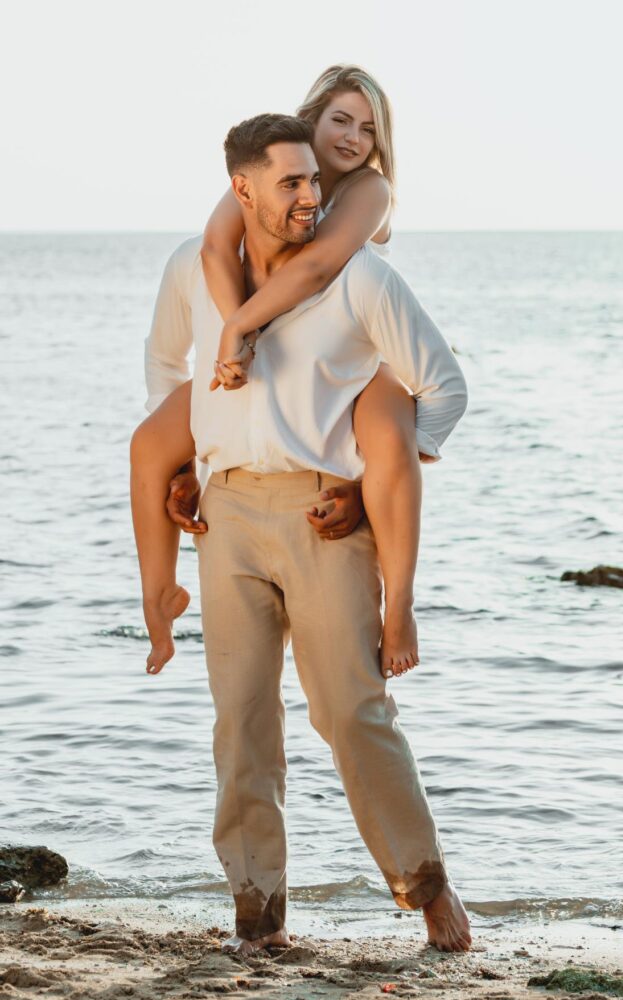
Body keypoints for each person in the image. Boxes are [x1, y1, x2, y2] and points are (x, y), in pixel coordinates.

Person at [142, 113, 471, 954]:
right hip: (226, 519)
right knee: (241, 720)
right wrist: (186, 462)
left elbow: (444, 389)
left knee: (352, 710)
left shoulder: (358, 279)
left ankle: (426, 888)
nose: (309, 196)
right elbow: (165, 366)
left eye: (314, 182)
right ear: (241, 189)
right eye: (290, 183)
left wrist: (367, 488)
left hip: (323, 519)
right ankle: (257, 916)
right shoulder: (192, 266)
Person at [131, 65, 427, 680]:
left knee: (389, 436)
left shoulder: (368, 191)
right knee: (149, 444)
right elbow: (216, 247)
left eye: (368, 129)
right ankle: (158, 593)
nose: (351, 138)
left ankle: (401, 604)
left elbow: (318, 265)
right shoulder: (266, 171)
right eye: (340, 120)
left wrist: (241, 329)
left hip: (349, 356)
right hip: (250, 431)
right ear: (311, 119)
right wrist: (190, 463)